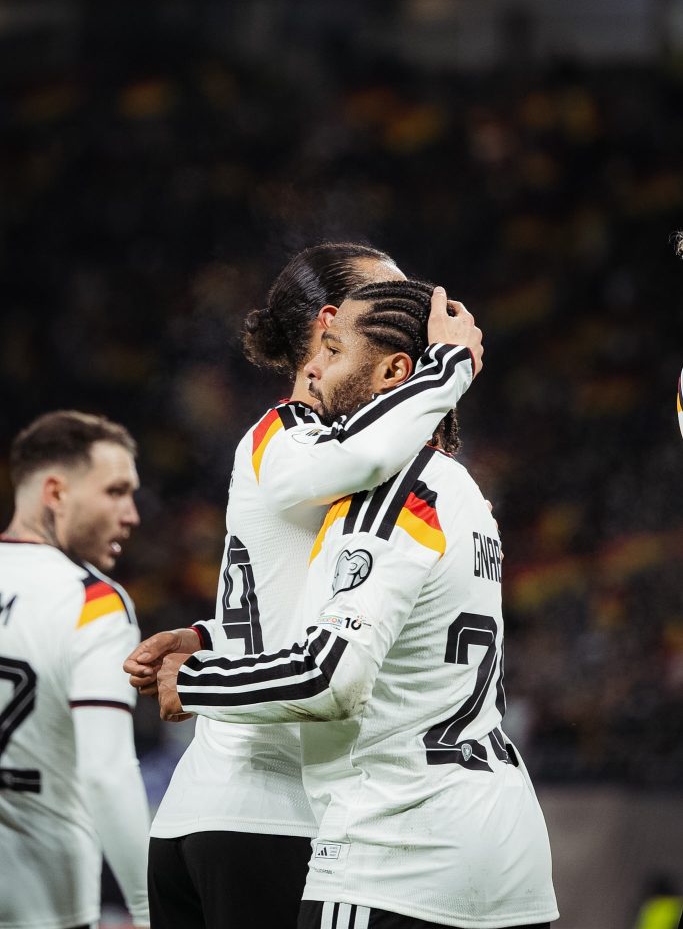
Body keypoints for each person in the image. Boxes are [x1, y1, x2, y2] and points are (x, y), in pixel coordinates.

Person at [157, 279, 558, 929]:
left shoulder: (384, 494)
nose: (312, 368)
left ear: (393, 371)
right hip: (507, 847)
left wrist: (199, 679)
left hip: (399, 854)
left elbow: (331, 677)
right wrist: (213, 634)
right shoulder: (463, 494)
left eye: (334, 350)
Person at [0, 410, 150, 929]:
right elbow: (106, 774)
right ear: (56, 492)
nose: (131, 515)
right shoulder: (93, 602)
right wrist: (151, 908)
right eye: (115, 491)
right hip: (46, 902)